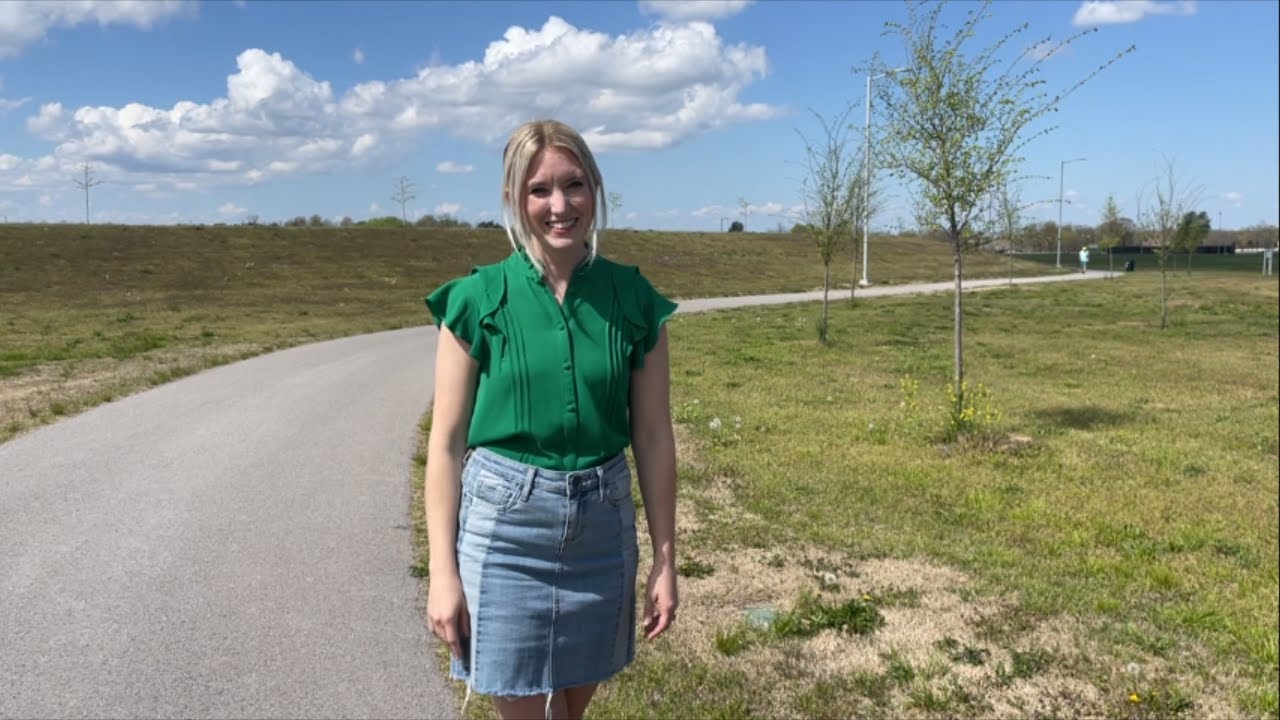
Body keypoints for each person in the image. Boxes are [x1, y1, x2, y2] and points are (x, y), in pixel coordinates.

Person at [423, 119, 678, 720]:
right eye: (540, 190)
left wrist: (666, 562)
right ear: (515, 199)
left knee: (566, 709)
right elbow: (447, 442)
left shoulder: (634, 299)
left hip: (602, 527)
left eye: (575, 185)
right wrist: (442, 571)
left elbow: (653, 436)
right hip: (505, 531)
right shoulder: (478, 299)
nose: (560, 206)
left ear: (596, 190)